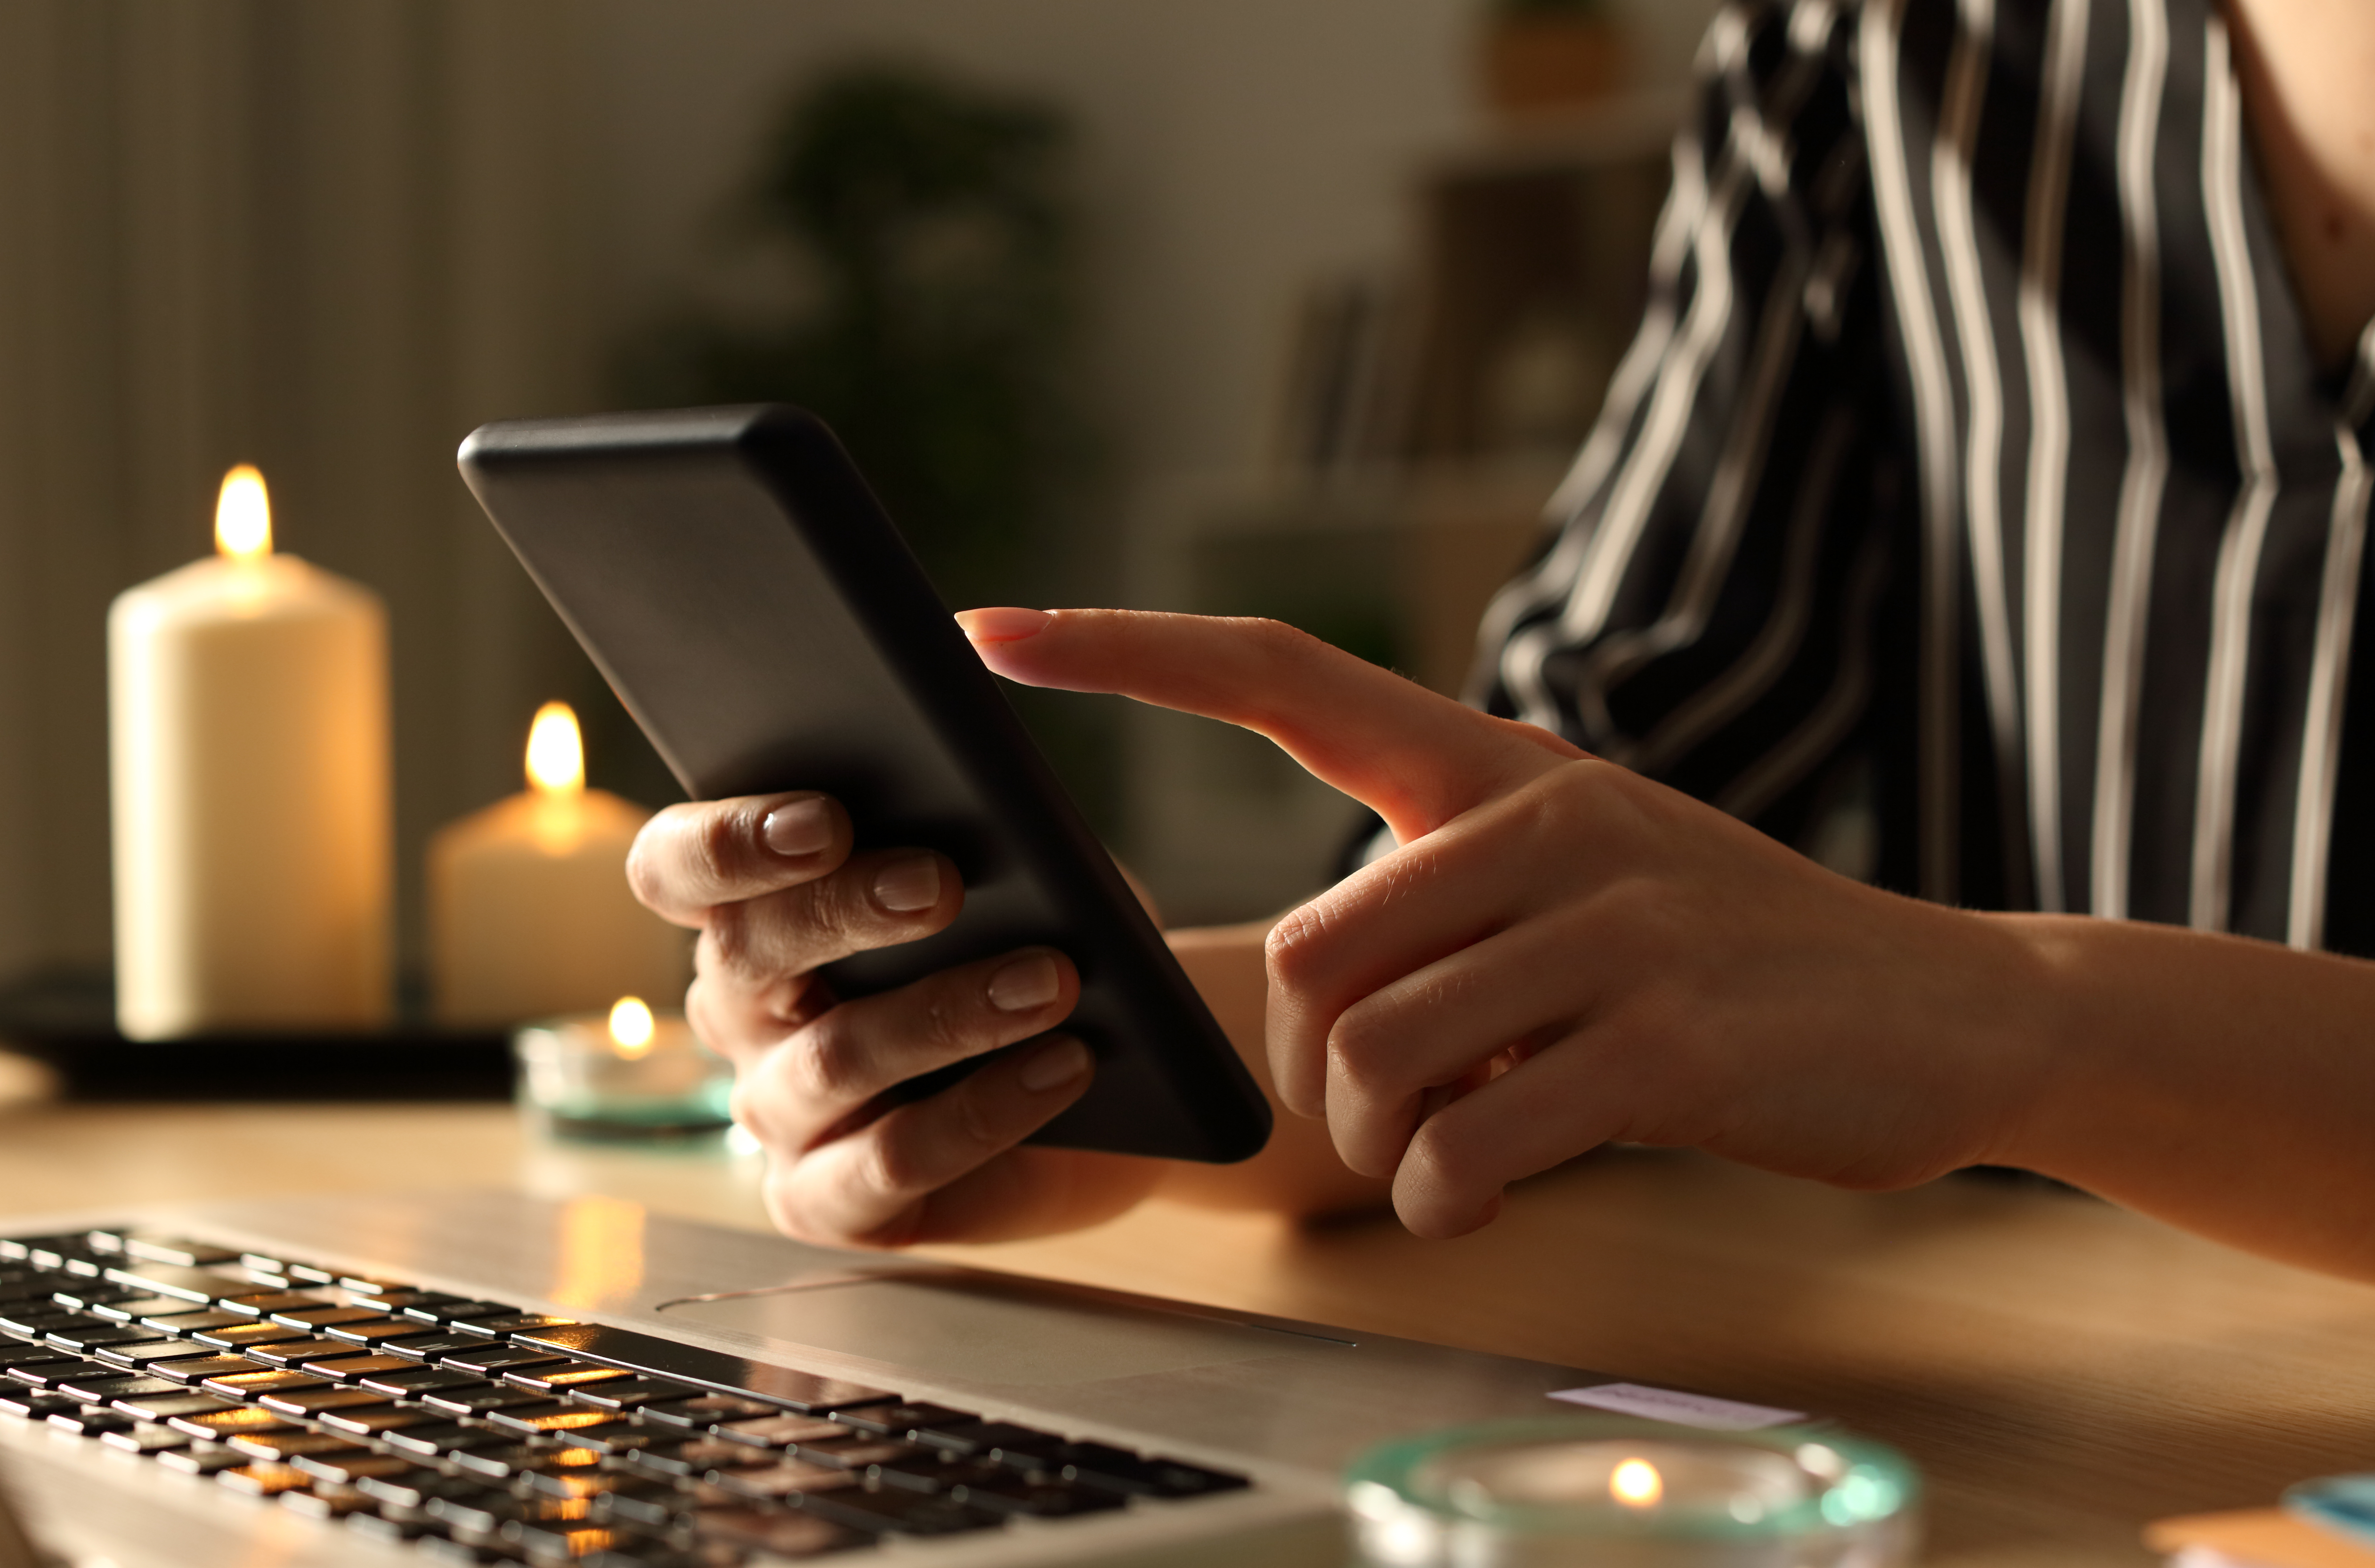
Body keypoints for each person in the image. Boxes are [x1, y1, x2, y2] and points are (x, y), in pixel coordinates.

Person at [623, 0, 2375, 1283]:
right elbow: (1557, 868)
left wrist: (2017, 1022)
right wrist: (1075, 1062)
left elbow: (1900, 999)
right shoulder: (1879, 53)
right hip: (2057, 1439)